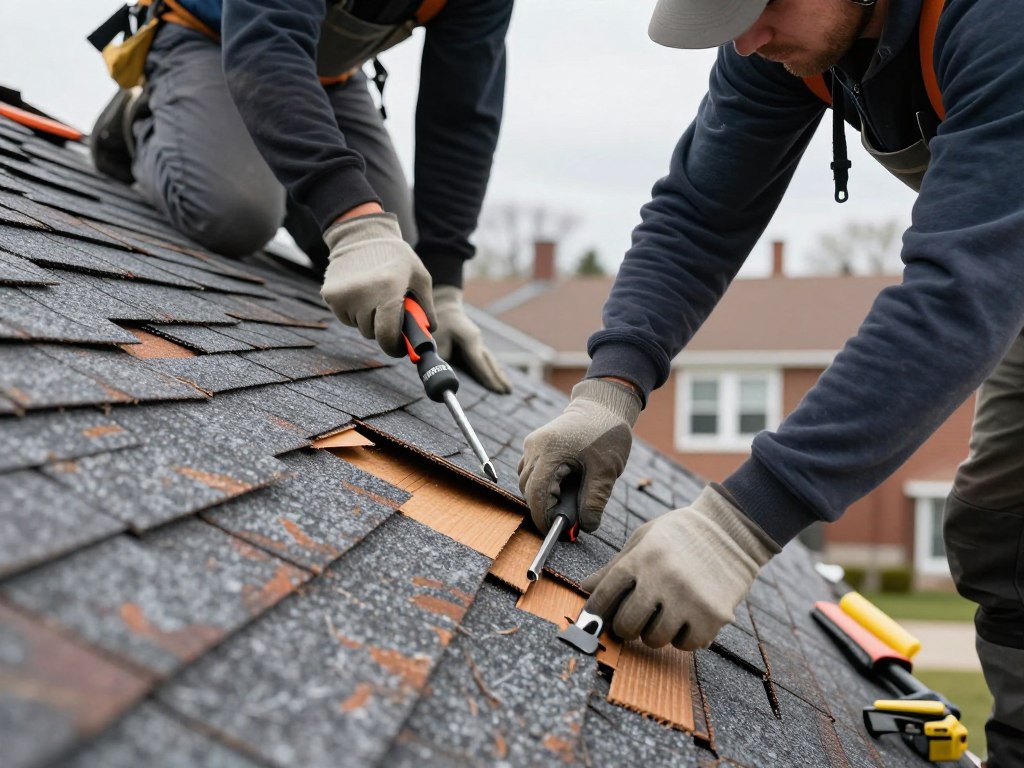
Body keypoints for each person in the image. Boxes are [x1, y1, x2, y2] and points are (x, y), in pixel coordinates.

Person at [517, 0, 1024, 764]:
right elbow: (699, 216)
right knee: (1001, 528)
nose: (746, 38)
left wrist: (742, 524)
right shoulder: (797, 40)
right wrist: (608, 389)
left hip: (998, 274)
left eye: (762, 4)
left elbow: (957, 297)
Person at [88, 0, 513, 393]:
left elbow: (462, 114)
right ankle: (146, 117)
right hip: (210, 37)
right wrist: (352, 222)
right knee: (238, 214)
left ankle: (276, 155)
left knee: (398, 254)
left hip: (324, 75)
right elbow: (267, 42)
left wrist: (443, 283)